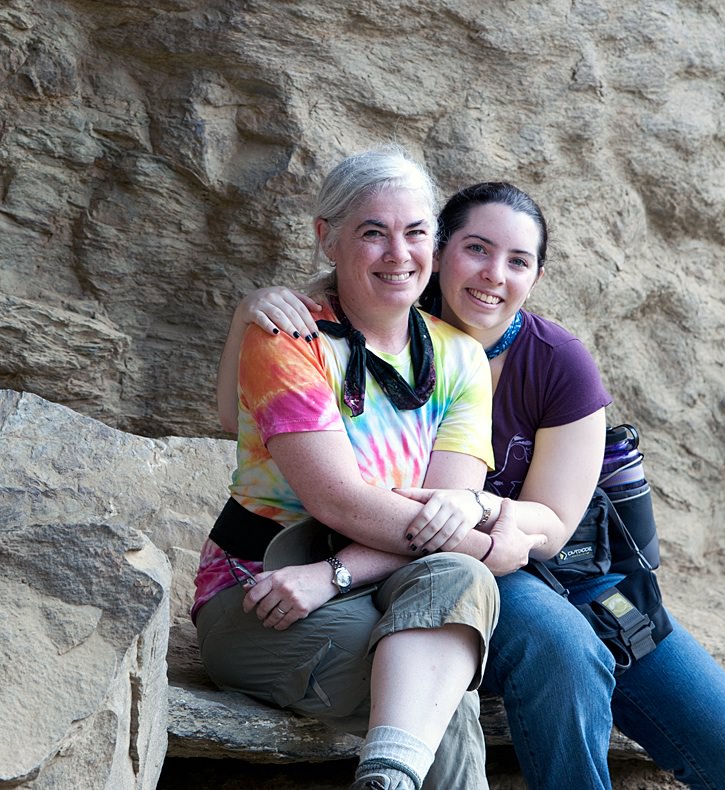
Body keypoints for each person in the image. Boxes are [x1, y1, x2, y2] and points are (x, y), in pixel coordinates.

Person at [221, 182, 725, 789]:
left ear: (536, 276)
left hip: (565, 568)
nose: (493, 275)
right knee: (565, 651)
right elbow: (251, 407)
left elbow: (554, 522)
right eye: (476, 249)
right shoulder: (385, 320)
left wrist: (488, 510)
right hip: (471, 570)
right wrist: (255, 307)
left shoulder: (557, 361)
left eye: (518, 261)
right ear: (440, 252)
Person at [194, 149, 545, 790]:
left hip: (350, 582)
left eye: (415, 232)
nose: (398, 253)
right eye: (372, 232)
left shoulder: (462, 356)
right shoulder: (288, 337)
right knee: (439, 674)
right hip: (263, 593)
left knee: (446, 609)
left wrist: (335, 573)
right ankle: (391, 772)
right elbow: (339, 502)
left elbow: (444, 510)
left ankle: (385, 777)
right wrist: (494, 543)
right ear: (327, 238)